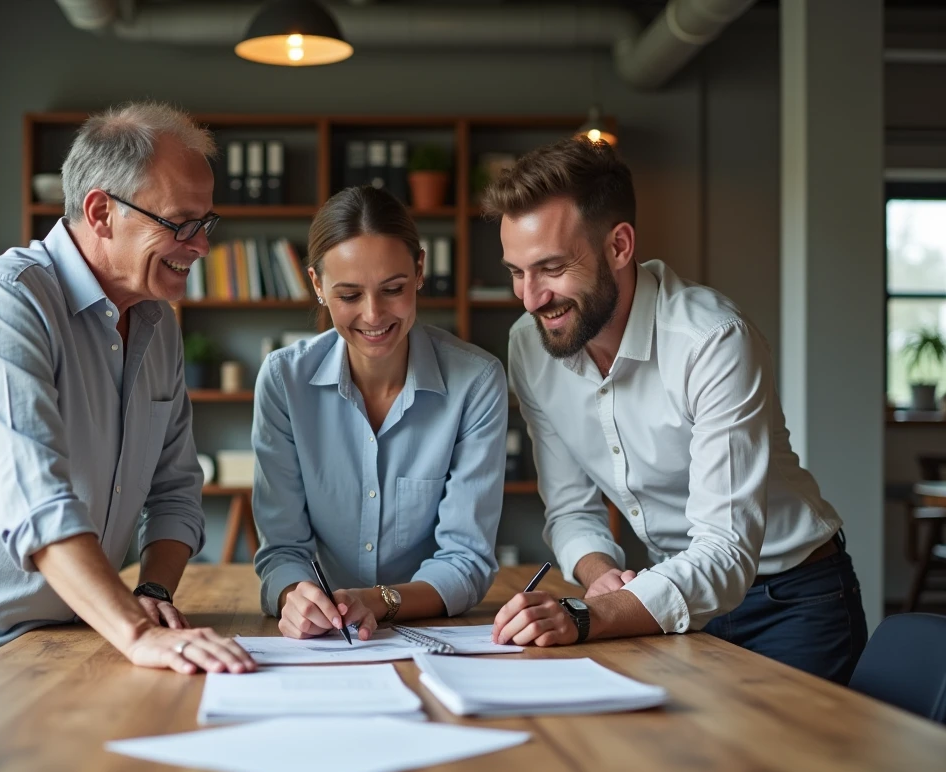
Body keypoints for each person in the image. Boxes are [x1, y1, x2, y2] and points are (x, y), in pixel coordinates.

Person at [0, 101, 255, 717]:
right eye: (180, 223)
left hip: (53, 647)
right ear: (101, 211)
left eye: (206, 222)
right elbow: (38, 504)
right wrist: (140, 635)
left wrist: (150, 592)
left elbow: (175, 491)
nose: (200, 246)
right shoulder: (5, 301)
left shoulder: (156, 325)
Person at [485, 138, 867, 684]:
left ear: (619, 246)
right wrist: (601, 578)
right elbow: (570, 510)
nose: (530, 298)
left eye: (550, 268)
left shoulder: (712, 340)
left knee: (789, 769)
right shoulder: (530, 345)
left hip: (792, 601)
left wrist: (587, 616)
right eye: (517, 272)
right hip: (666, 598)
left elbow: (726, 549)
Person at [252, 186, 507, 641]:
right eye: (349, 295)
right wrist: (295, 597)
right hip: (324, 637)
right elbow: (283, 550)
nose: (373, 316)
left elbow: (466, 559)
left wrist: (380, 601)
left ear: (420, 271)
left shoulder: (477, 381)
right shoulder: (283, 381)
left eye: (393, 289)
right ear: (316, 285)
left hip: (432, 635)